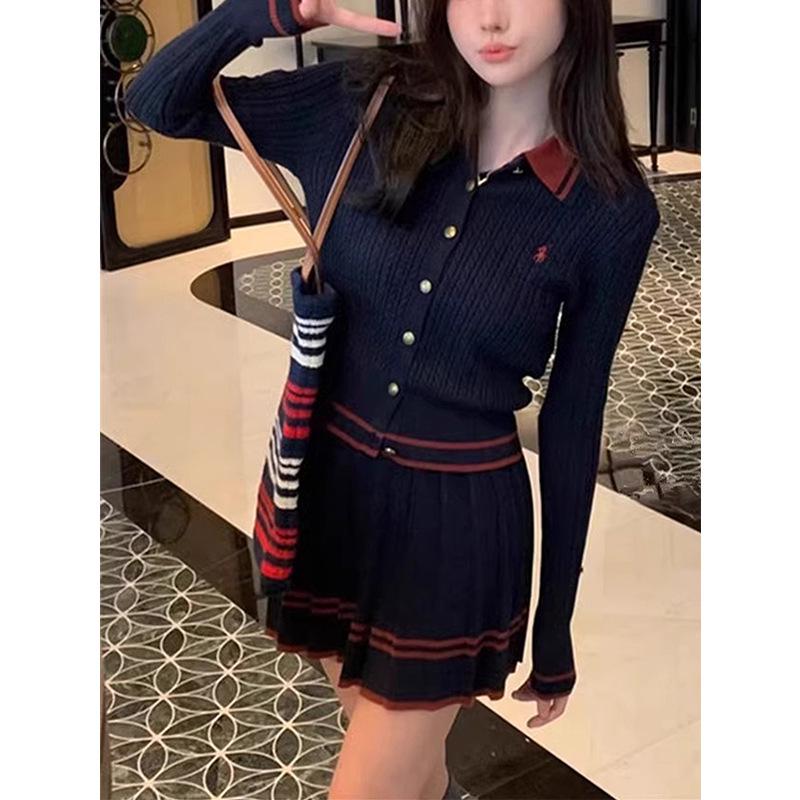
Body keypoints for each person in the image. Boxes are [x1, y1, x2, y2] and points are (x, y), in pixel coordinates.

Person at [125, 1, 660, 798]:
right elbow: (156, 103)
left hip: (457, 528)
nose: (491, 17)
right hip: (330, 494)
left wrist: (555, 626)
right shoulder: (363, 105)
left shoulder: (609, 209)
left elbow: (574, 416)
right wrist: (260, 14)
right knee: (406, 768)